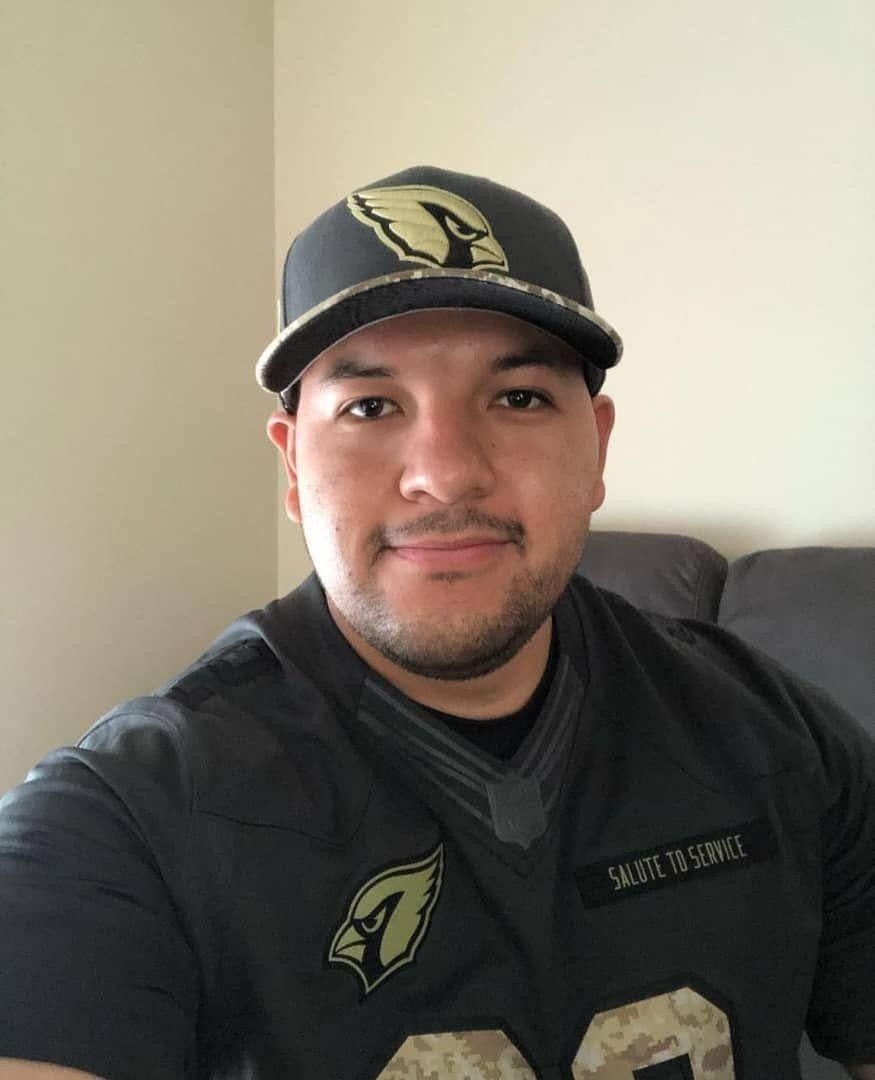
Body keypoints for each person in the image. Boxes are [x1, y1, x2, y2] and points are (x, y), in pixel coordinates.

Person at [0, 166, 872, 1079]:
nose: (446, 474)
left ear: (597, 446)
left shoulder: (777, 738)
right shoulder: (132, 815)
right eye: (370, 406)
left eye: (518, 397)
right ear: (293, 466)